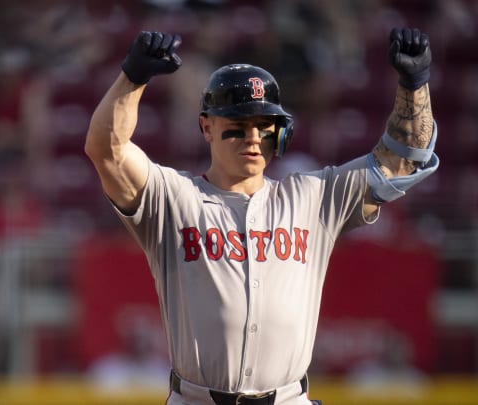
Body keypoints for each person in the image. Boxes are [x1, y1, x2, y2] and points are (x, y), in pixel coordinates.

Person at [84, 26, 438, 405]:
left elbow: (404, 159)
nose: (253, 136)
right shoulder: (172, 198)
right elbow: (107, 150)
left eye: (264, 125)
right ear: (207, 126)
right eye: (237, 125)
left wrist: (414, 84)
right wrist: (132, 78)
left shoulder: (313, 197)